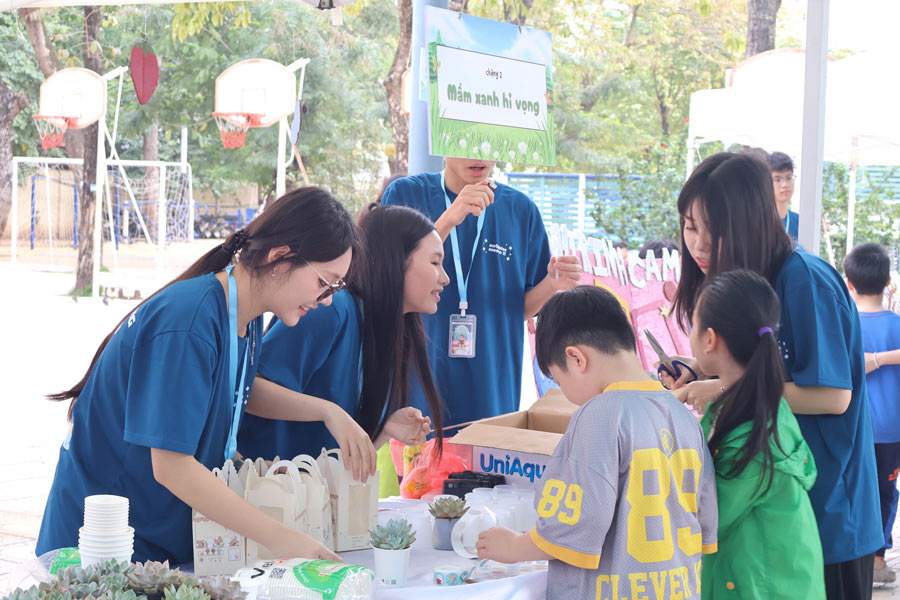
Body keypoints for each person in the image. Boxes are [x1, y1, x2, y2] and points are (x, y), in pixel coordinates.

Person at [36, 187, 358, 564]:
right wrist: (283, 539)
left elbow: (234, 393)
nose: (327, 299)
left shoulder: (245, 319)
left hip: (154, 537)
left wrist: (326, 413)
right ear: (280, 257)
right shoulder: (189, 321)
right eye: (324, 282)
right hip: (100, 544)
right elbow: (172, 467)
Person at [668, 152, 882, 600]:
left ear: (748, 221)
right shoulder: (742, 280)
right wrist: (699, 367)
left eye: (713, 229)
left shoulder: (804, 280)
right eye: (690, 227)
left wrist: (723, 387)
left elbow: (833, 395)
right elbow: (757, 363)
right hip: (765, 520)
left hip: (827, 518)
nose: (699, 245)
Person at [476, 285, 718, 599]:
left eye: (559, 380)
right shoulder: (684, 416)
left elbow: (574, 525)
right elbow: (706, 521)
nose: (565, 392)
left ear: (576, 358)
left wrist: (513, 546)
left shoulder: (597, 415)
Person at [237, 205, 450, 481]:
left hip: (309, 495)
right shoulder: (330, 310)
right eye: (435, 262)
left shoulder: (385, 331)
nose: (444, 278)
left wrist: (385, 430)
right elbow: (249, 391)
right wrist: (329, 412)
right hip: (262, 488)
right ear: (396, 262)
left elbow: (337, 463)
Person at [381, 158, 581, 426]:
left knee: (487, 449)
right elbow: (388, 277)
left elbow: (519, 309)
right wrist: (449, 218)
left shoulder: (521, 209)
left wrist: (552, 284)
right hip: (420, 377)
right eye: (467, 144)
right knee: (418, 449)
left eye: (488, 146)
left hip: (492, 384)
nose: (478, 157)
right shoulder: (406, 194)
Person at [689, 269, 824, 598]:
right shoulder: (760, 407)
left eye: (693, 324)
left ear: (709, 339)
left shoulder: (750, 439)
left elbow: (705, 521)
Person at [844, 242, 900, 584]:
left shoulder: (843, 324)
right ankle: (877, 562)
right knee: (884, 494)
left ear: (849, 283)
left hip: (849, 426)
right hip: (890, 431)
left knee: (852, 490)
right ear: (888, 282)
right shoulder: (897, 324)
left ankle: (853, 557)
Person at [766, 151, 799, 241]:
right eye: (778, 180)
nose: (785, 184)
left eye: (789, 178)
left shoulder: (800, 221)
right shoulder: (759, 221)